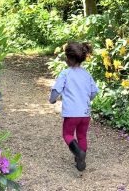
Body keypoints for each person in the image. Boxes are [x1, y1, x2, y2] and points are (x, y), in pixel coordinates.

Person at [49, 41, 98, 171]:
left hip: (72, 114)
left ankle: (78, 153)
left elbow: (56, 90)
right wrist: (87, 99)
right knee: (82, 136)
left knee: (68, 134)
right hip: (85, 113)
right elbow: (94, 92)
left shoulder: (66, 73)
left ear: (70, 58)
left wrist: (52, 100)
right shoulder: (86, 74)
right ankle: (81, 159)